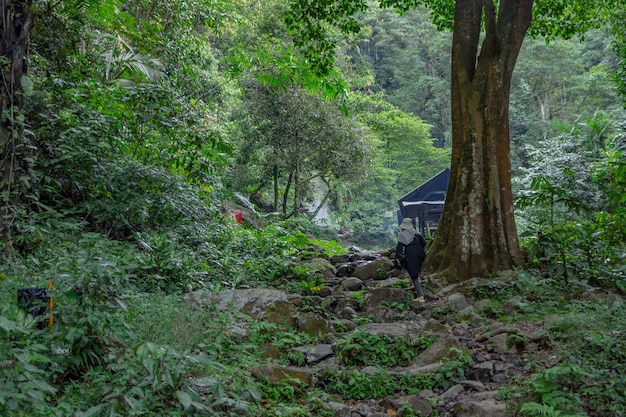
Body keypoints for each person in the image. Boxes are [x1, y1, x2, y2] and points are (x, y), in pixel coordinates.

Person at [396, 217, 427, 303]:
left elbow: (399, 249)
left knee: (414, 275)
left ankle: (420, 296)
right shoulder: (417, 233)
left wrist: (398, 259)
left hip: (411, 255)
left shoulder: (401, 235)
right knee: (416, 271)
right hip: (421, 254)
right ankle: (420, 286)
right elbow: (424, 243)